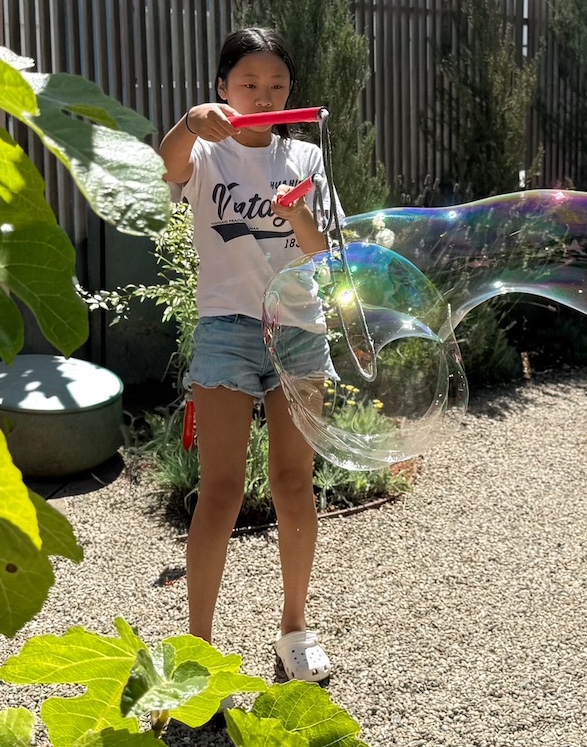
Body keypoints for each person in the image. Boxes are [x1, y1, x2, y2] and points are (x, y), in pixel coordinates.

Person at [159, 26, 334, 683]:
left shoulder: (307, 160)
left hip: (298, 328)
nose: (264, 95)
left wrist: (294, 214)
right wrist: (188, 123)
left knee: (294, 483)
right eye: (248, 84)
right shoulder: (209, 150)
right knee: (222, 490)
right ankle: (196, 651)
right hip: (226, 328)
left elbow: (322, 252)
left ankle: (294, 625)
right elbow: (168, 166)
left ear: (293, 91)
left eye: (277, 85)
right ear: (222, 88)